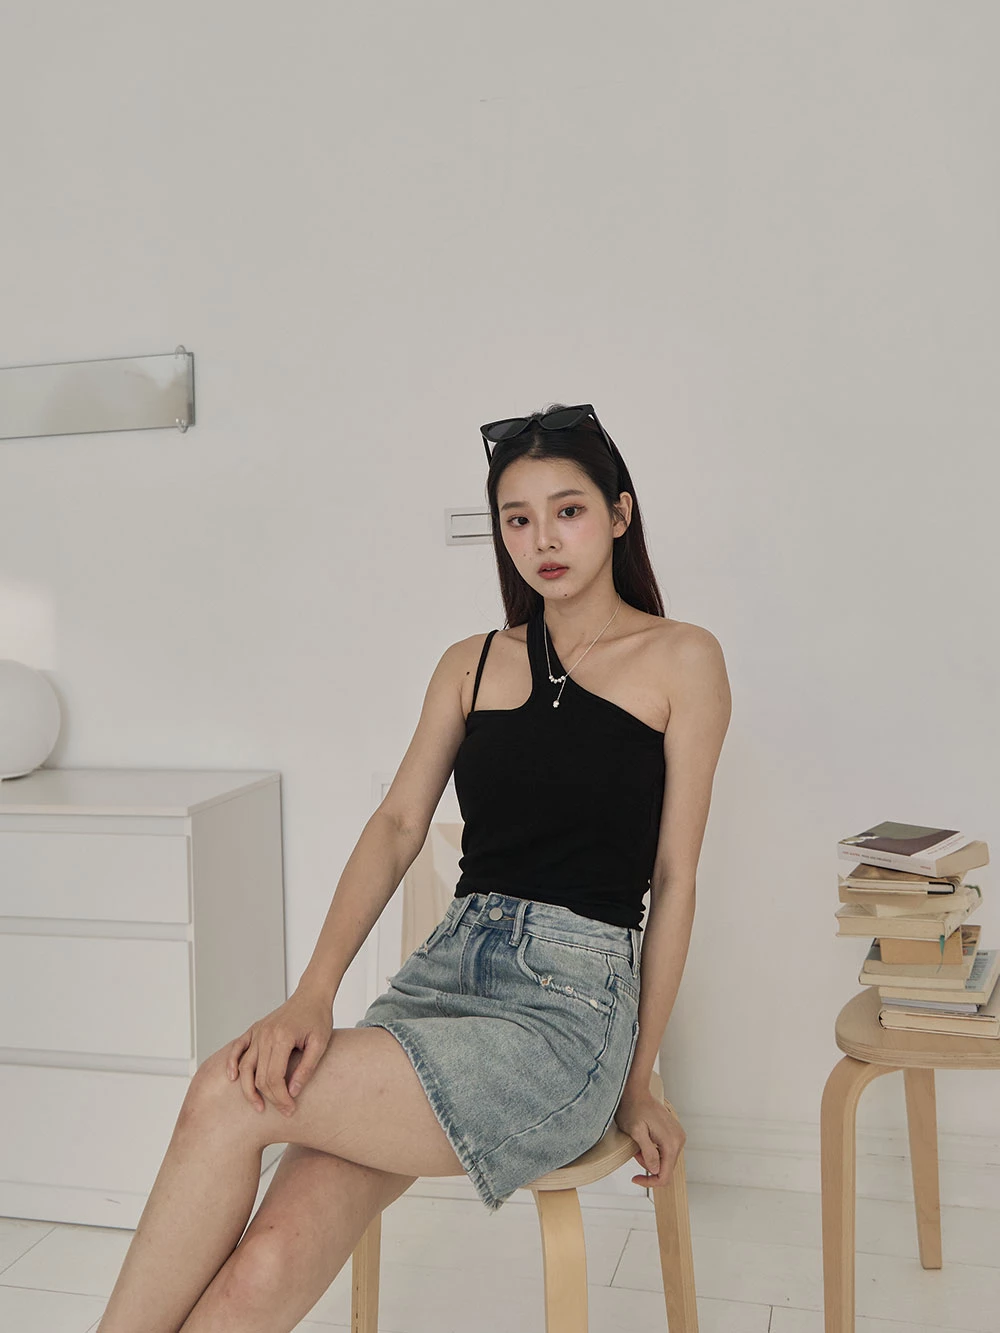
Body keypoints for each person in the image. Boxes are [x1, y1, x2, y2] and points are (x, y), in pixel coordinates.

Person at [96, 402, 732, 1332]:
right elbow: (398, 825)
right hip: (440, 983)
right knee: (268, 1261)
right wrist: (313, 994)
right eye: (518, 518)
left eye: (568, 511)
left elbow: (674, 880)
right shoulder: (469, 664)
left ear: (619, 514)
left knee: (228, 1091)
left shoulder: (684, 659)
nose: (543, 540)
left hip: (565, 1018)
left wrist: (638, 1082)